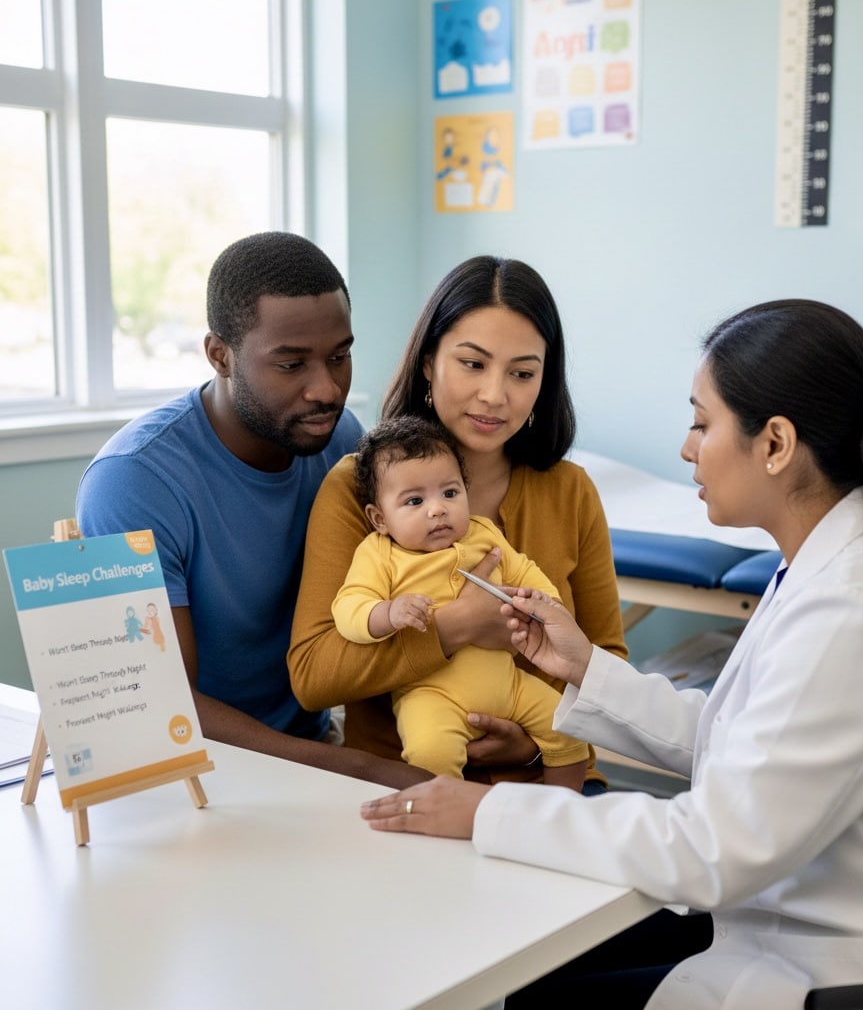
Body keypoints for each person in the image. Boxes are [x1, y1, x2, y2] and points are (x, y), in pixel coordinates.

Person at [361, 299, 863, 1008]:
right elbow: (741, 743)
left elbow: (713, 848)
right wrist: (584, 666)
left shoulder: (854, 611)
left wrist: (484, 813)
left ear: (774, 444)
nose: (686, 448)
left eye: (702, 423)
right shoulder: (831, 559)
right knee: (534, 961)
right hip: (792, 910)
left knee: (534, 991)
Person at [76, 231, 428, 790]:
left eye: (340, 357)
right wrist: (364, 768)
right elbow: (161, 703)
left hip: (313, 751)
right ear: (220, 355)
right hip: (187, 774)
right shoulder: (134, 481)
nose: (326, 389)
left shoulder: (343, 445)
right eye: (291, 365)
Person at [289, 255, 627, 789]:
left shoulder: (570, 490)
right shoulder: (358, 489)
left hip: (542, 785)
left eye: (522, 373)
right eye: (473, 364)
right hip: (396, 783)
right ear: (428, 362)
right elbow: (314, 675)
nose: (495, 395)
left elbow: (605, 658)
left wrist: (535, 748)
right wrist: (456, 626)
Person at [334, 414, 589, 789]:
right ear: (380, 519)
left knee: (569, 727)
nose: (437, 509)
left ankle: (561, 810)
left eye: (450, 493)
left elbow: (523, 570)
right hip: (430, 695)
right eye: (415, 500)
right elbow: (348, 607)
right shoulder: (379, 555)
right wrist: (387, 613)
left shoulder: (482, 535)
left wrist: (545, 601)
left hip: (508, 684)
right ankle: (444, 821)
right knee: (430, 752)